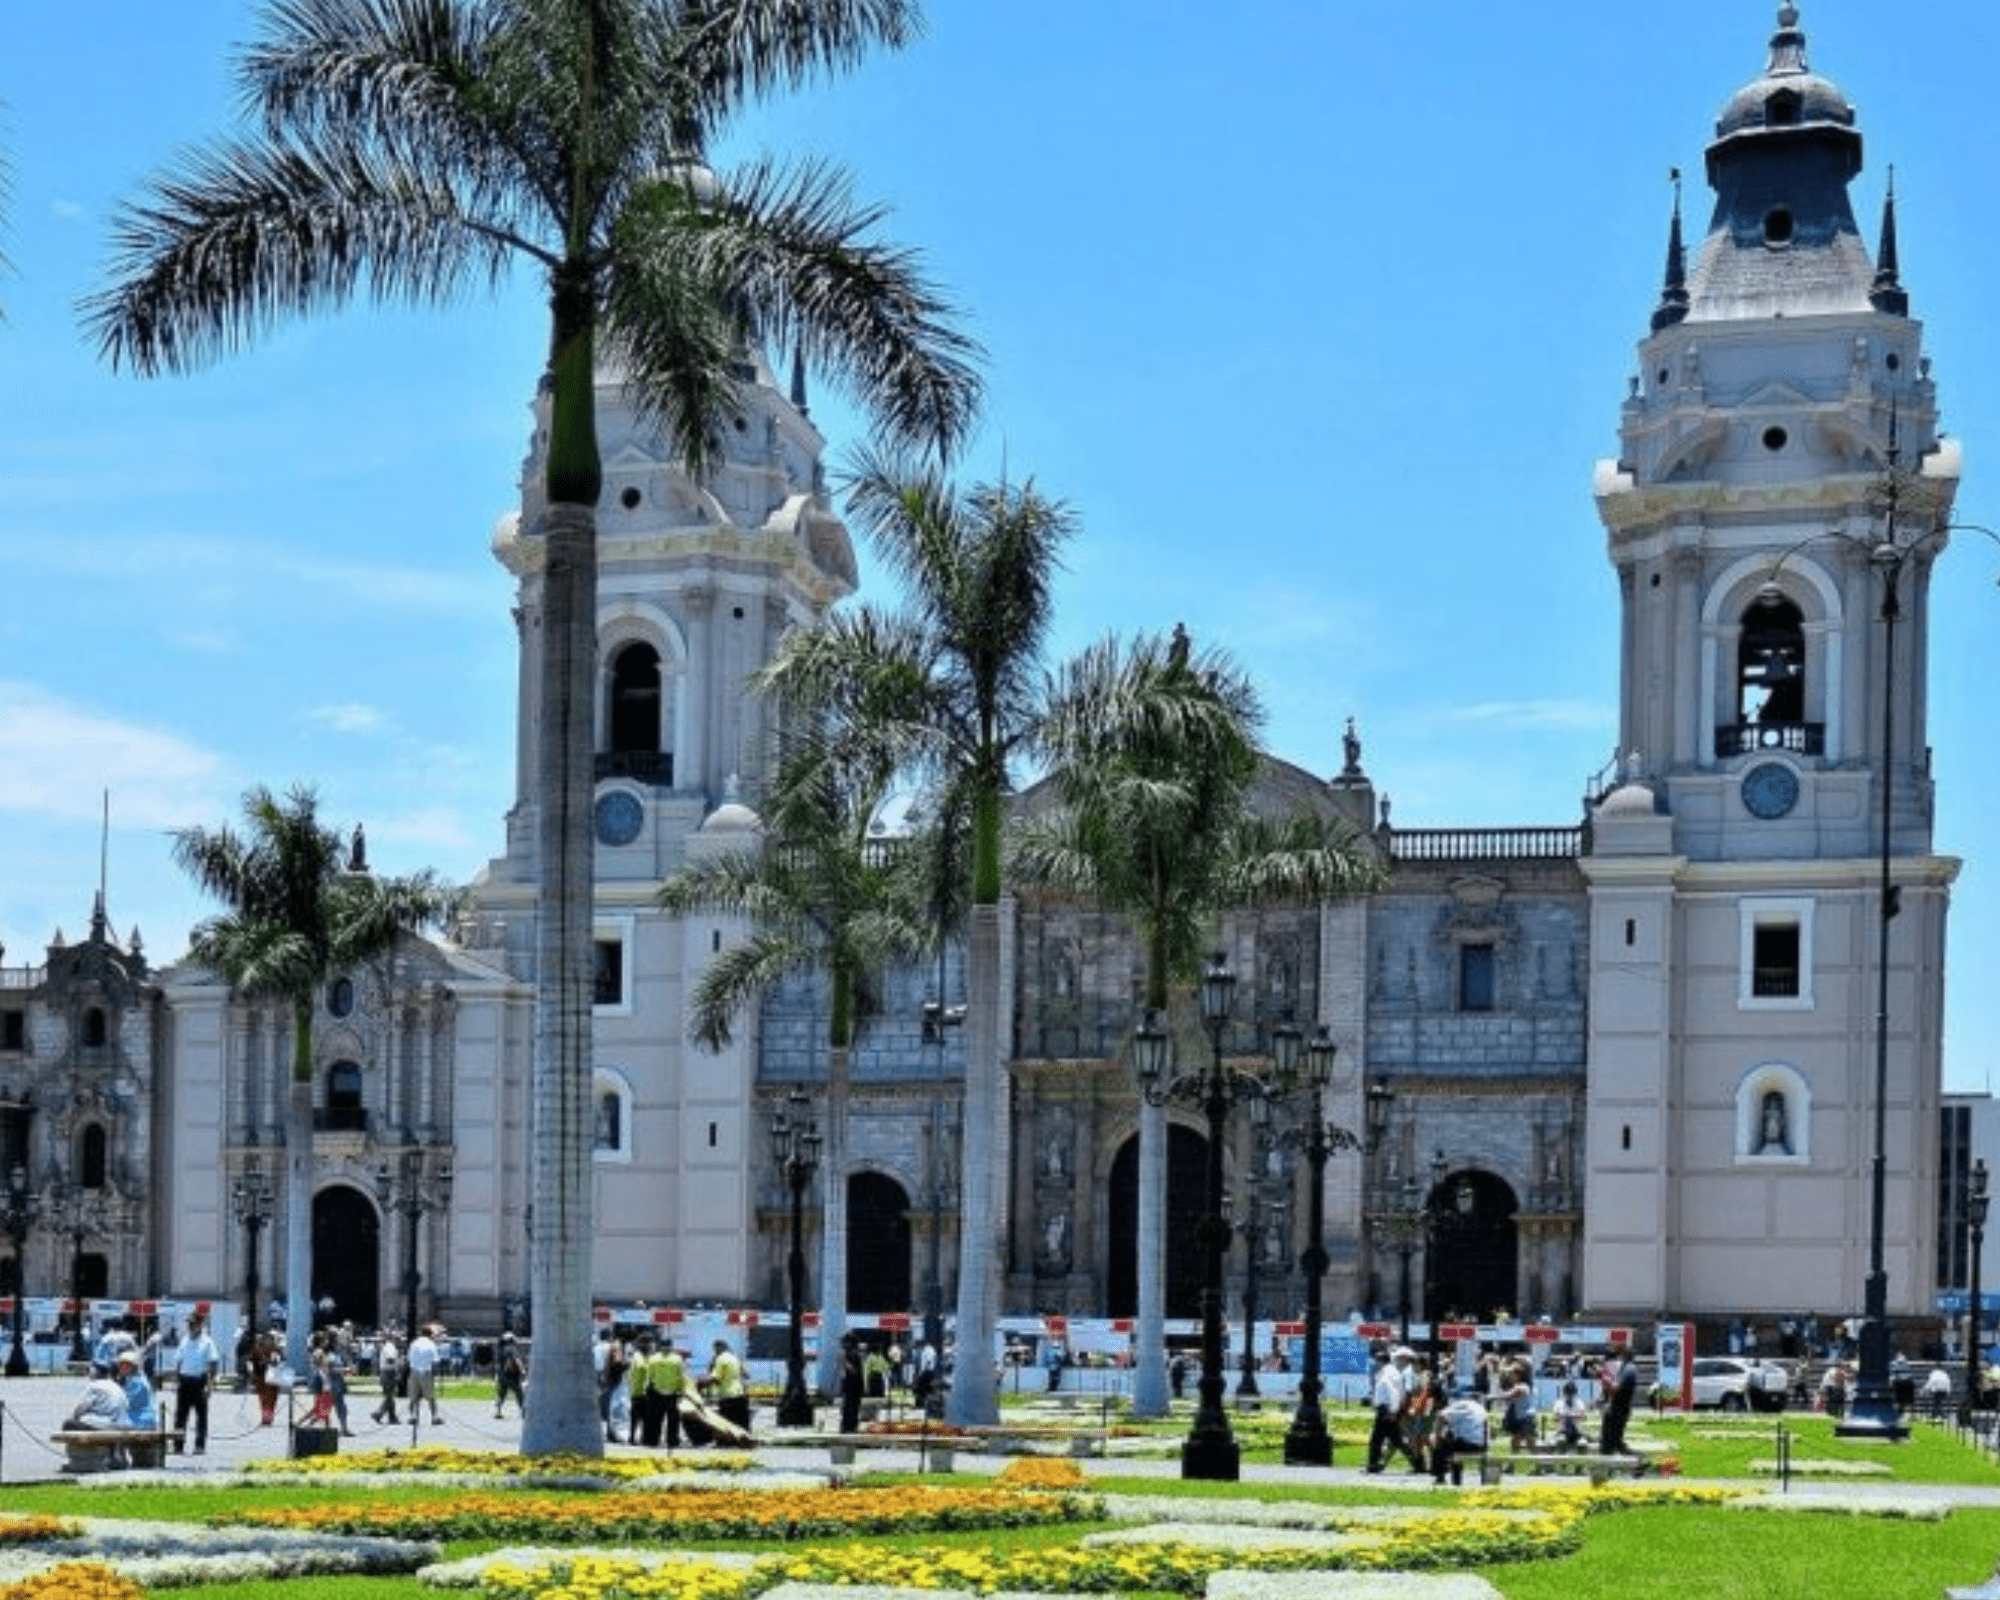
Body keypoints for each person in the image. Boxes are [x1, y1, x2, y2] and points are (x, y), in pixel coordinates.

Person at [172, 1311, 221, 1455]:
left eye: (193, 1324)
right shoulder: (184, 1340)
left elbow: (213, 1364)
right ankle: (178, 1445)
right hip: (185, 1381)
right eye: (189, 1324)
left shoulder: (207, 1342)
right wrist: (177, 1380)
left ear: (200, 1325)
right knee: (180, 1416)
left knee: (201, 1416)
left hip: (199, 1382)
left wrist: (210, 1386)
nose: (190, 1326)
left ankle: (199, 1445)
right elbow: (179, 1361)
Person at [1366, 1347, 1414, 1473]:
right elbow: (1400, 1392)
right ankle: (1417, 1462)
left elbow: (1392, 1392)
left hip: (1386, 1409)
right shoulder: (1392, 1372)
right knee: (1396, 1439)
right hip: (1389, 1409)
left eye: (1377, 1360)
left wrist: (1392, 1410)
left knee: (1377, 1439)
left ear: (1381, 1361)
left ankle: (1372, 1464)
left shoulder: (1387, 1373)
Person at [1430, 1389, 1489, 1486]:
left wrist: (1438, 1436)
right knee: (1452, 1441)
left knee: (1441, 1446)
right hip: (1480, 1445)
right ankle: (1454, 1477)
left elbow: (1440, 1416)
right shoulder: (1480, 1408)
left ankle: (1440, 1476)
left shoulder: (1459, 1405)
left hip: (1465, 1444)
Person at [1599, 1354, 1639, 1454]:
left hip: (1618, 1406)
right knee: (1612, 1434)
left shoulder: (1627, 1371)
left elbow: (1616, 1389)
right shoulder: (1624, 1371)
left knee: (1613, 1433)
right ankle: (1615, 1448)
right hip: (1617, 1407)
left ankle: (1615, 1448)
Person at [709, 1339, 750, 1433]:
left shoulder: (720, 1359)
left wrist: (701, 1385)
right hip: (740, 1392)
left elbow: (715, 1377)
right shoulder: (735, 1358)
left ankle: (729, 1442)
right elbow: (746, 1374)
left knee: (727, 1421)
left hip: (727, 1394)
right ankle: (745, 1439)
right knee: (742, 1421)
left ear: (717, 1349)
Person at [1497, 1360, 1537, 1452]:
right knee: (1516, 1438)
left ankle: (1535, 1458)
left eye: (1512, 1373)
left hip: (1526, 1417)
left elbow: (1508, 1395)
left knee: (1529, 1438)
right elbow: (1509, 1400)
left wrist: (1497, 1394)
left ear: (1518, 1375)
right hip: (1518, 1416)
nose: (1510, 1376)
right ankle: (1514, 1460)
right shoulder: (1516, 1386)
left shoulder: (1522, 1387)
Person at [407, 1324, 443, 1424]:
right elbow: (436, 1360)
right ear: (430, 1335)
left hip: (414, 1371)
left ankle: (413, 1416)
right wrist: (436, 1374)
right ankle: (434, 1417)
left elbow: (409, 1358)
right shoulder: (431, 1344)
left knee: (413, 1396)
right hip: (426, 1372)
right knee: (431, 1397)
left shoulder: (414, 1343)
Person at [116, 1348, 158, 1431]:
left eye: (126, 1365)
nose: (123, 1367)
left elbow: (126, 1403)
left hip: (141, 1420)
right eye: (121, 1365)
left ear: (133, 1367)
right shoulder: (133, 1379)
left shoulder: (136, 1382)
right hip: (142, 1418)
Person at [494, 1332, 527, 1419]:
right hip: (511, 1376)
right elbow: (516, 1360)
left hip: (501, 1375)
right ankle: (524, 1412)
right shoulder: (511, 1349)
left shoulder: (500, 1350)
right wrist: (522, 1371)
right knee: (519, 1394)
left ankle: (498, 1411)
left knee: (501, 1394)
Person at [372, 1331, 402, 1425]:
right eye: (398, 1339)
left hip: (386, 1372)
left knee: (390, 1396)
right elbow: (390, 1359)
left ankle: (392, 1417)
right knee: (389, 1396)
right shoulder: (390, 1347)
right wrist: (399, 1363)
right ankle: (378, 1414)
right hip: (389, 1373)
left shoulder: (389, 1347)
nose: (399, 1342)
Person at [1553, 1379, 1590, 1450]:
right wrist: (1565, 1418)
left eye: (1571, 1393)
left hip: (1576, 1431)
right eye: (1568, 1392)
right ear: (1564, 1393)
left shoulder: (1580, 1404)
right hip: (1562, 1431)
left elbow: (1583, 1417)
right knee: (1561, 1441)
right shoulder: (1558, 1403)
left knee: (1582, 1444)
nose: (1569, 1395)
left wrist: (1572, 1418)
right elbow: (1556, 1418)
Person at [839, 1333, 865, 1433]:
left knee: (854, 1407)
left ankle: (851, 1427)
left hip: (855, 1385)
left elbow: (859, 1372)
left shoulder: (856, 1357)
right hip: (849, 1385)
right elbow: (850, 1371)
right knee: (848, 1406)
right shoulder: (845, 1357)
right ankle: (846, 1427)